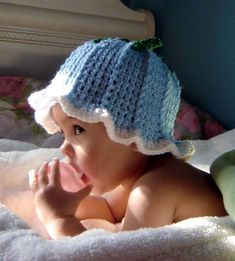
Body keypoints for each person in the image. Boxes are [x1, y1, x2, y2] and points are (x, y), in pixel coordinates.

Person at [28, 38, 227, 240]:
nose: (64, 148)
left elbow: (116, 255)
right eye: (64, 132)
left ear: (132, 136)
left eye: (78, 130)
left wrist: (58, 218)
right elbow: (109, 211)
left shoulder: (153, 190)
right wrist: (63, 201)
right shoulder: (135, 177)